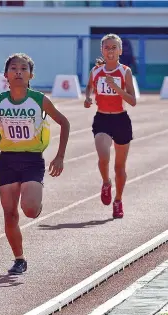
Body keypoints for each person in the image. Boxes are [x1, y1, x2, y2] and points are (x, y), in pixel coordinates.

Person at [0, 53, 70, 274]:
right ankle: (19, 259)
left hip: (32, 160)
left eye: (24, 69)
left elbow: (64, 122)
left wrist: (60, 156)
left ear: (30, 75)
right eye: (14, 68)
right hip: (7, 160)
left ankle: (35, 206)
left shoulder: (39, 100)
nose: (19, 72)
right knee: (9, 214)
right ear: (6, 75)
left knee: (28, 209)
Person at [84, 33, 136, 219]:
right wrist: (88, 98)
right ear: (102, 50)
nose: (110, 51)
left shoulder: (125, 72)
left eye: (114, 47)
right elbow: (89, 86)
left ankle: (118, 200)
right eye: (107, 47)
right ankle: (106, 183)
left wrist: (116, 88)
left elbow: (132, 101)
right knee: (103, 156)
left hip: (121, 120)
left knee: (119, 167)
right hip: (102, 120)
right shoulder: (96, 72)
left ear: (120, 51)